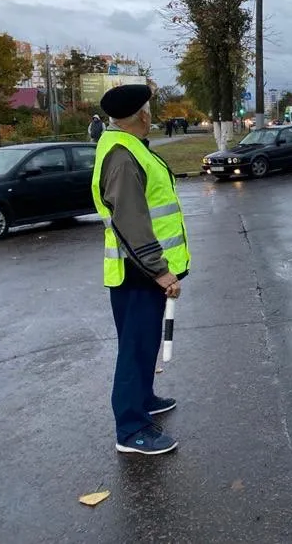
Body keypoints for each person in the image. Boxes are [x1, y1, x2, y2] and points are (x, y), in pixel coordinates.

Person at [91, 84, 191, 455]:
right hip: (138, 273)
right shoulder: (121, 154)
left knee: (143, 341)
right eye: (150, 111)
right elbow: (131, 221)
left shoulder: (127, 146)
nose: (152, 117)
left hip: (138, 271)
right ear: (143, 116)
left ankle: (144, 398)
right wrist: (160, 271)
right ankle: (131, 430)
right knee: (134, 348)